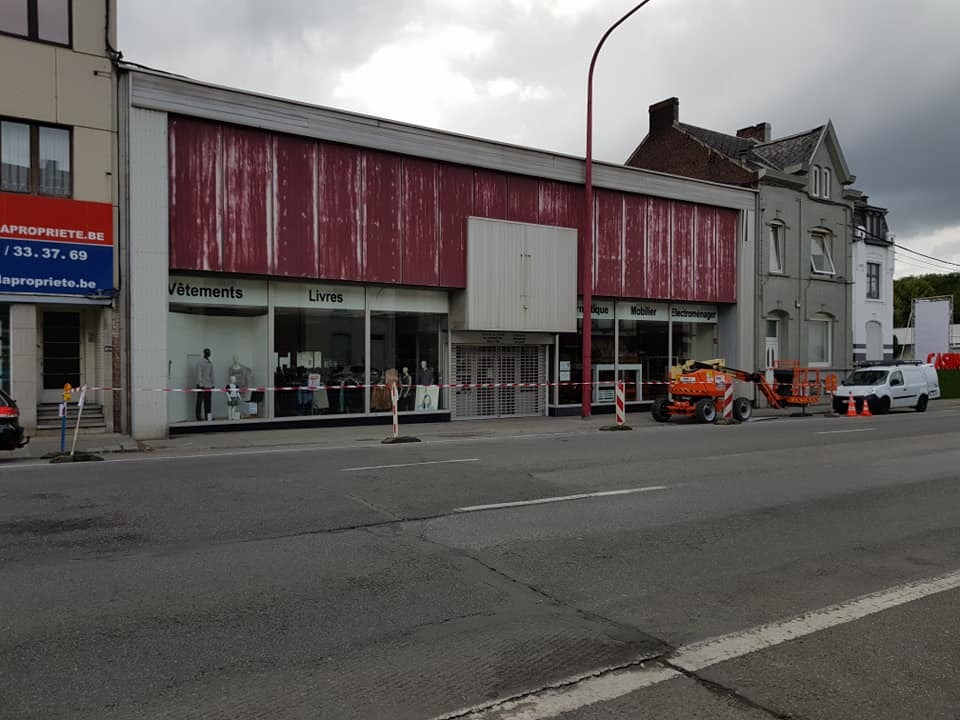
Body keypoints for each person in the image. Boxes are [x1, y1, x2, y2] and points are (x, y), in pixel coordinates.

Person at [195, 348, 214, 421]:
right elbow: (199, 373)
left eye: (209, 352)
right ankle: (198, 417)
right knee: (199, 401)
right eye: (207, 352)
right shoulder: (200, 362)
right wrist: (200, 383)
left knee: (208, 401)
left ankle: (208, 416)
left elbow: (212, 374)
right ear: (204, 353)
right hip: (201, 385)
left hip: (208, 385)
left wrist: (212, 383)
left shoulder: (210, 363)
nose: (208, 353)